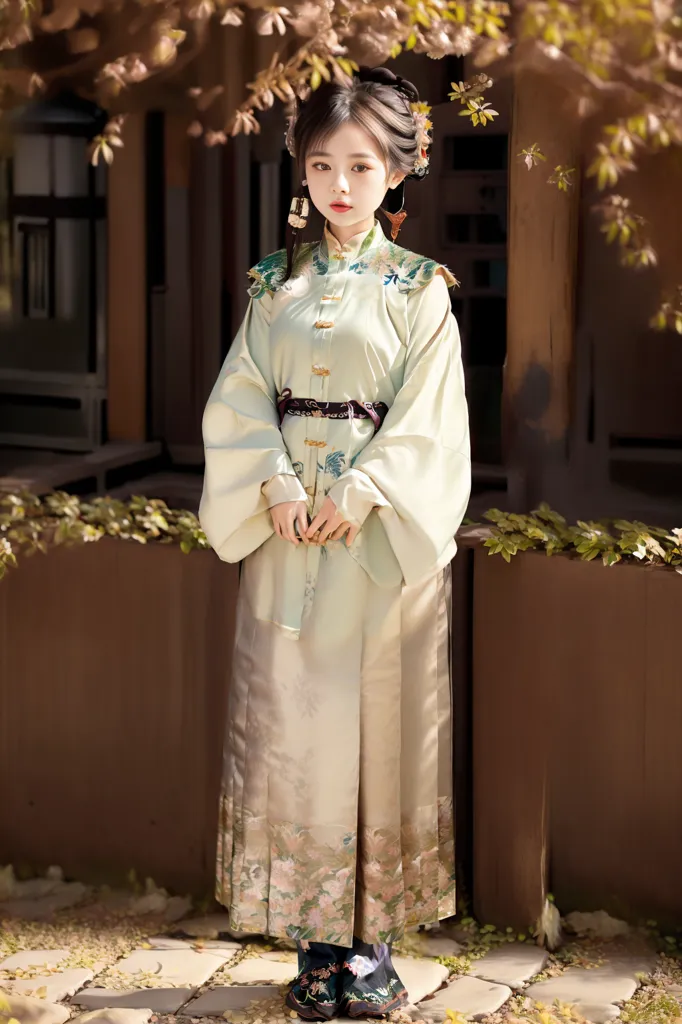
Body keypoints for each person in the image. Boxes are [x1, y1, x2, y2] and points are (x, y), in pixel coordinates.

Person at [199, 65, 471, 1022]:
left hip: (371, 545)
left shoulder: (416, 293)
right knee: (298, 730)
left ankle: (371, 946)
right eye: (323, 165)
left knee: (376, 727)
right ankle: (314, 940)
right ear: (302, 174)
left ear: (398, 173)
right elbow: (238, 396)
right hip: (286, 539)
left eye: (361, 165)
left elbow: (433, 422)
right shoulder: (274, 285)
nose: (341, 186)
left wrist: (360, 492)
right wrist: (271, 483)